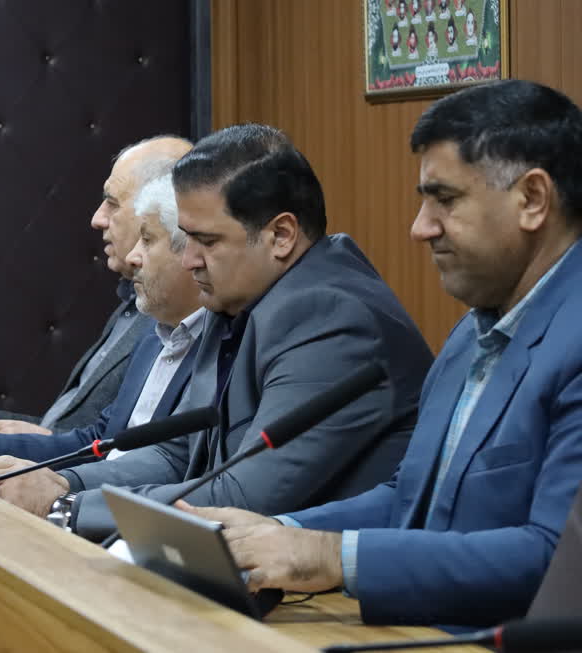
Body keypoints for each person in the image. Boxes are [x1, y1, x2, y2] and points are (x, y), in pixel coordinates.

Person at [185, 81, 582, 629]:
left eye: (445, 199)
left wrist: (331, 557)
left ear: (533, 199)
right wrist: (281, 533)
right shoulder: (472, 332)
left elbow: (557, 563)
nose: (420, 227)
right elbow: (410, 498)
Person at [0, 126, 433, 541]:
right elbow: (176, 454)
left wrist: (67, 508)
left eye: (207, 241)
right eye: (185, 237)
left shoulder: (331, 319)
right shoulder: (237, 296)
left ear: (281, 235)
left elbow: (245, 495)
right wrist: (62, 481)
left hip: (333, 579)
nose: (189, 259)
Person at [0, 165, 205, 474]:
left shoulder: (218, 348)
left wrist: (64, 490)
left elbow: (170, 470)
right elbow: (97, 442)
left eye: (148, 239)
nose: (133, 256)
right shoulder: (153, 336)